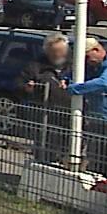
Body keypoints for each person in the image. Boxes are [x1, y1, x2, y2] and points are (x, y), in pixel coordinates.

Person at [66, 36, 107, 179]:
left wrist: (75, 88)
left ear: (96, 50)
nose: (86, 61)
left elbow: (104, 82)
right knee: (96, 159)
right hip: (96, 119)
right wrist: (66, 79)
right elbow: (74, 74)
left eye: (87, 56)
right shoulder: (92, 66)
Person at [22, 34, 70, 164]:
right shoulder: (36, 65)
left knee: (67, 144)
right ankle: (43, 164)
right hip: (45, 113)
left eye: (60, 51)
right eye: (53, 52)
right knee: (45, 145)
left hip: (68, 112)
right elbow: (21, 82)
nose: (57, 54)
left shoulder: (75, 64)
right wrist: (27, 87)